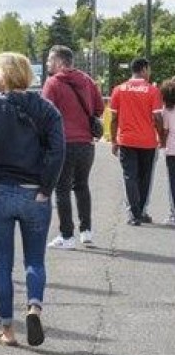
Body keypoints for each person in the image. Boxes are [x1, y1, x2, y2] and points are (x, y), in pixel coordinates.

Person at [0, 52, 65, 347]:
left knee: (2, 264)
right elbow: (57, 151)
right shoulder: (47, 110)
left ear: (3, 76)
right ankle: (34, 306)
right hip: (34, 192)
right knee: (35, 260)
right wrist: (46, 187)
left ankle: (8, 330)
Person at [42, 45, 105, 248]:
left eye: (50, 60)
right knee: (82, 186)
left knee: (62, 190)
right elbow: (99, 108)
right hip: (86, 144)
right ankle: (86, 231)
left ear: (60, 62)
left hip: (64, 144)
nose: (47, 63)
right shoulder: (87, 80)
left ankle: (67, 236)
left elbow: (45, 114)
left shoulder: (52, 83)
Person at [110, 57, 164, 226]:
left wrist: (113, 140)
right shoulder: (152, 91)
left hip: (126, 141)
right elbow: (157, 117)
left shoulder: (119, 89)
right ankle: (141, 211)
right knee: (145, 177)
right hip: (147, 141)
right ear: (144, 69)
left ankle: (134, 214)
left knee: (130, 177)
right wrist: (161, 137)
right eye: (149, 69)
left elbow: (113, 118)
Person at [159, 79, 175, 225]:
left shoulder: (167, 110)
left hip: (172, 151)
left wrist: (161, 145)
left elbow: (165, 130)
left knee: (173, 184)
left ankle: (173, 214)